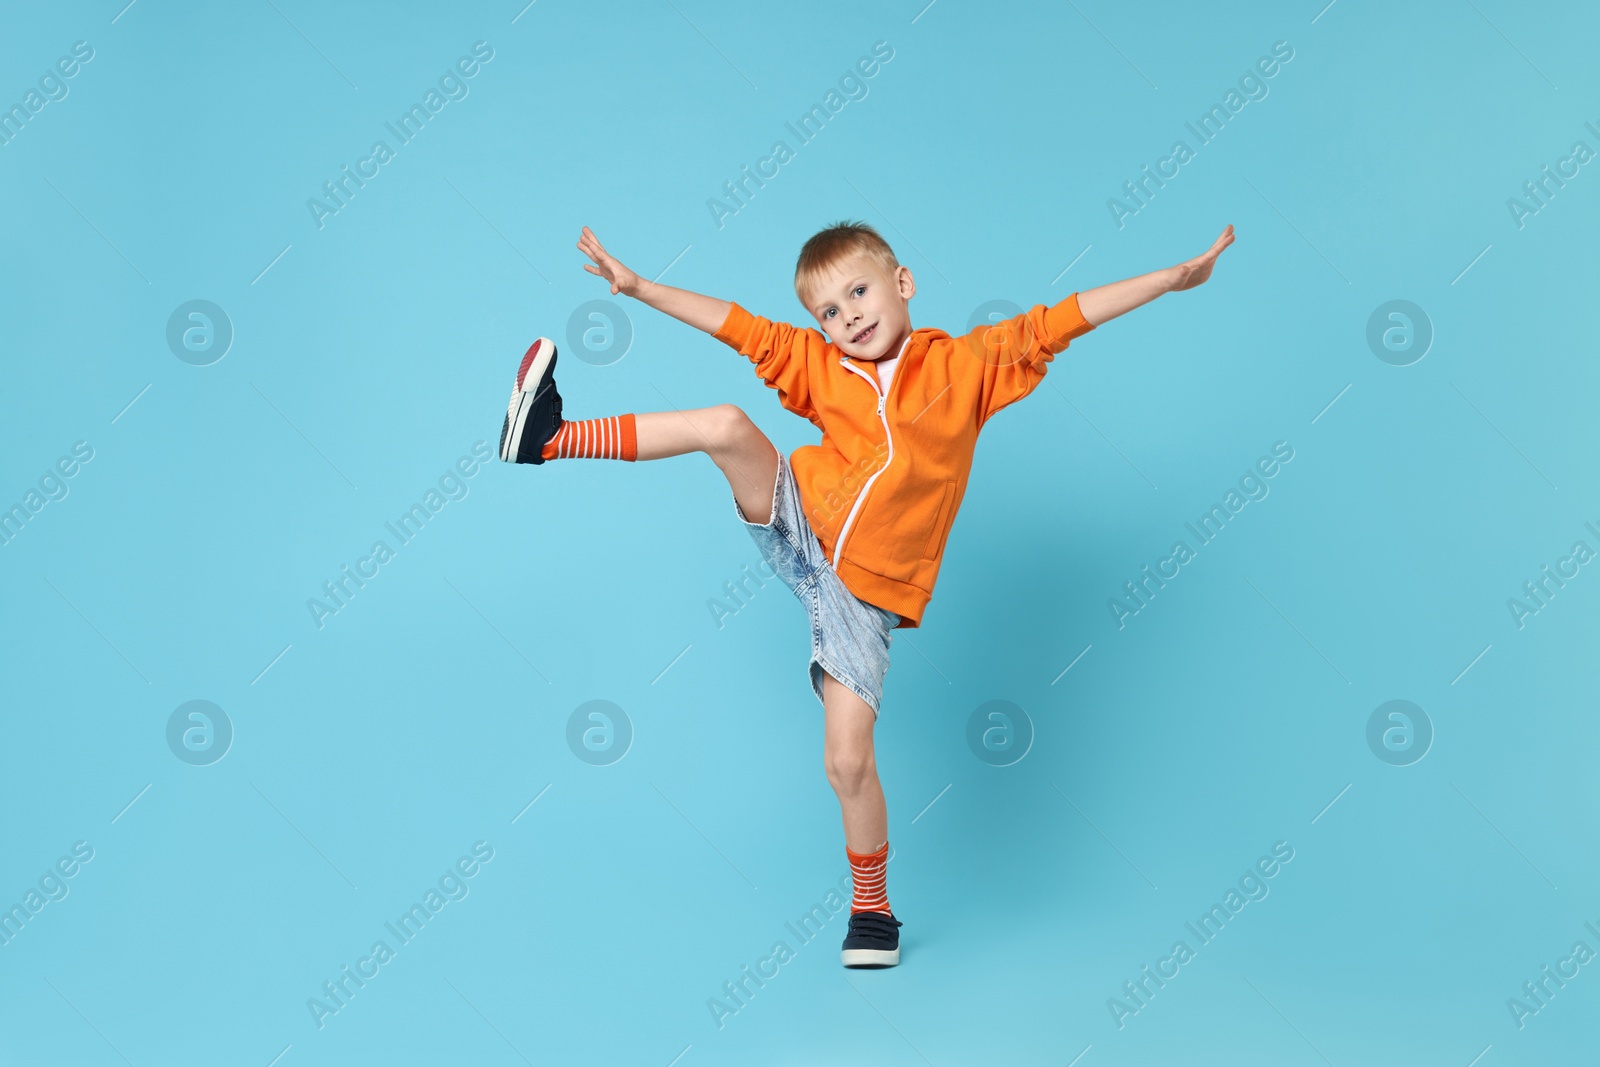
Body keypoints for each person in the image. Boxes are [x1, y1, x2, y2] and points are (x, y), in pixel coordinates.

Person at [498, 220, 1235, 966]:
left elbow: (1061, 320)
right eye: (829, 310)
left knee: (846, 762)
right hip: (799, 523)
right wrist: (640, 286)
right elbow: (740, 327)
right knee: (723, 424)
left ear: (902, 283)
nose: (848, 315)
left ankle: (872, 909)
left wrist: (1170, 279)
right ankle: (549, 438)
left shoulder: (966, 368)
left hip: (863, 599)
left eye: (859, 291)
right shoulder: (820, 367)